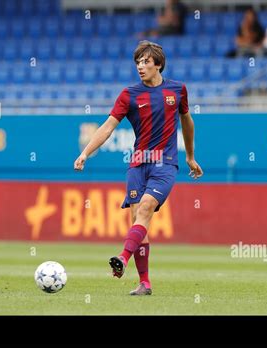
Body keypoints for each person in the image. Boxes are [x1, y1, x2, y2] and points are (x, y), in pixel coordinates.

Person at [74, 40, 203, 296]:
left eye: (145, 61)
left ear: (158, 64)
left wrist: (189, 156)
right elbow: (108, 126)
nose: (140, 67)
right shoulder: (129, 94)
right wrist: (86, 152)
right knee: (138, 223)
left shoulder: (178, 90)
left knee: (145, 209)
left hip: (164, 163)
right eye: (137, 62)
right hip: (137, 165)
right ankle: (145, 283)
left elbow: (187, 122)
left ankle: (122, 258)